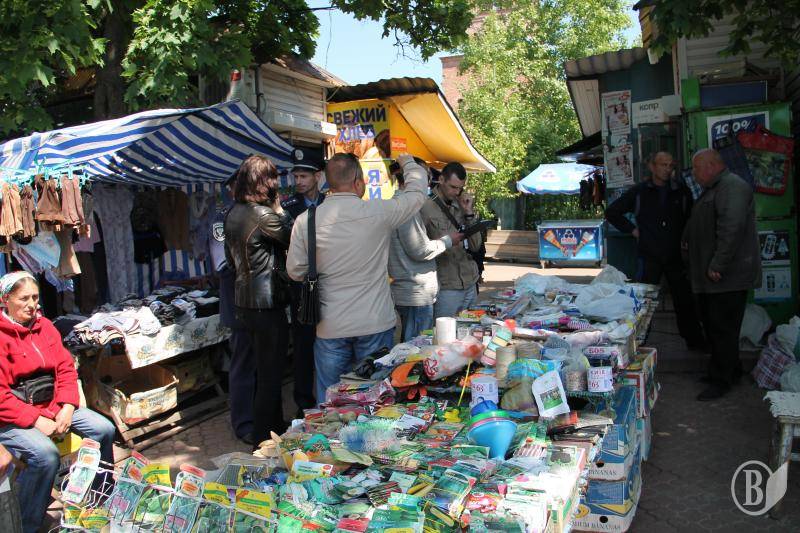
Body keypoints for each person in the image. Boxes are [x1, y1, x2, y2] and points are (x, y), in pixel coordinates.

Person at [287, 153, 428, 403]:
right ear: (358, 182)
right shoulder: (379, 211)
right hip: (374, 322)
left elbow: (296, 271)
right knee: (374, 399)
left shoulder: (306, 220)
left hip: (330, 325)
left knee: (330, 401)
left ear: (327, 182)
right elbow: (417, 194)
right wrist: (407, 162)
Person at [0, 271, 115, 533]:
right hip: (12, 416)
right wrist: (35, 420)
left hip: (52, 405)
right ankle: (26, 524)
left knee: (104, 429)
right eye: (24, 299)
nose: (32, 304)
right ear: (5, 300)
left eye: (35, 297)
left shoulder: (46, 327)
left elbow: (65, 369)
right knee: (45, 456)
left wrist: (67, 406)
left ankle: (97, 498)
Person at [605, 151, 706, 350]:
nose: (667, 169)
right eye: (663, 165)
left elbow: (692, 219)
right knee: (644, 302)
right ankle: (638, 342)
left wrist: (687, 240)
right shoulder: (640, 192)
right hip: (649, 256)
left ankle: (695, 342)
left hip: (676, 256)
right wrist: (633, 230)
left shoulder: (681, 191)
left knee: (685, 301)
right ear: (652, 167)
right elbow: (612, 212)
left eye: (670, 165)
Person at [224, 155, 292, 444]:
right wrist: (280, 209)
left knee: (263, 370)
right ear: (265, 182)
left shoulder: (233, 212)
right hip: (265, 302)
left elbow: (231, 261)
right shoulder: (262, 215)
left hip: (243, 300)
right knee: (270, 375)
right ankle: (264, 438)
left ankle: (274, 427)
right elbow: (292, 236)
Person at [683, 149, 761, 401]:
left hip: (727, 277)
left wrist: (718, 263)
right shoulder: (715, 188)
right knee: (716, 327)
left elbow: (732, 228)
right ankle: (729, 370)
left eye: (696, 169)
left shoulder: (732, 187)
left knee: (722, 329)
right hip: (715, 278)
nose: (694, 174)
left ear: (711, 165)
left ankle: (722, 380)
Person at [388, 160, 463, 342]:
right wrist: (448, 241)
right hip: (414, 295)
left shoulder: (402, 205)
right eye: (426, 177)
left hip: (413, 293)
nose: (429, 182)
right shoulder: (406, 208)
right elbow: (419, 250)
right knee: (416, 349)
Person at [282, 149, 325, 415]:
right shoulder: (288, 208)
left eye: (304, 176)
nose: (298, 181)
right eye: (296, 176)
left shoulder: (329, 204)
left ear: (317, 176)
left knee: (328, 344)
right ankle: (303, 403)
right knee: (303, 346)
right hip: (301, 287)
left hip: (328, 283)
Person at [218, 173, 256, 445]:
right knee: (243, 364)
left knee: (251, 363)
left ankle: (252, 419)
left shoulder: (243, 214)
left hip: (248, 301)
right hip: (241, 301)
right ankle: (244, 423)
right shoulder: (236, 217)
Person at [420, 162, 484, 319]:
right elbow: (419, 249)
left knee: (472, 330)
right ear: (441, 179)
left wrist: (468, 213)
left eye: (460, 188)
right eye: (453, 187)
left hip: (470, 282)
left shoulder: (461, 203)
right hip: (447, 286)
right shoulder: (424, 207)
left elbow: (475, 246)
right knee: (445, 332)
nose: (457, 192)